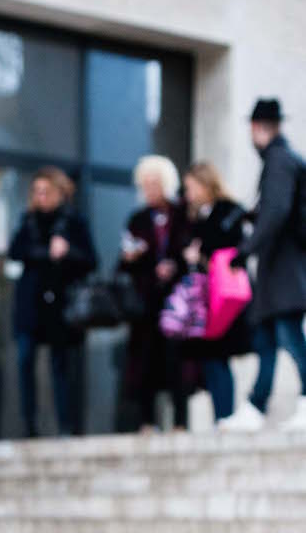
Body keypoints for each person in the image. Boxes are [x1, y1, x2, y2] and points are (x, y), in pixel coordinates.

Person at [220, 99, 306, 432]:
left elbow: (276, 211)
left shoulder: (279, 160)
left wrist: (245, 249)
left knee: (289, 336)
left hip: (285, 269)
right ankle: (256, 406)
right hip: (279, 270)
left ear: (257, 128)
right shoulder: (284, 160)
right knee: (267, 339)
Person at [6, 167, 97, 437]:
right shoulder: (27, 221)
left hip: (60, 306)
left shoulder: (74, 222)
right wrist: (47, 253)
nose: (41, 197)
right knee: (25, 361)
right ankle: (30, 426)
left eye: (46, 191)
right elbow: (14, 252)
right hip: (30, 305)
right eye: (37, 191)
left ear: (59, 193)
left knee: (61, 367)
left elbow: (91, 260)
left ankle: (65, 426)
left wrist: (67, 253)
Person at [119, 155, 188, 430]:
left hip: (177, 302)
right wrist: (133, 258)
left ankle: (180, 423)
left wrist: (176, 265)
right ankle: (147, 422)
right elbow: (122, 263)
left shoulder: (181, 215)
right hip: (145, 303)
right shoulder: (137, 220)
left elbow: (190, 251)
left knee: (177, 361)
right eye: (145, 185)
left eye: (154, 184)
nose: (149, 190)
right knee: (144, 362)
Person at [180, 162, 249, 425]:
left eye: (191, 187)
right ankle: (221, 418)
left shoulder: (228, 211)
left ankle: (226, 417)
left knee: (219, 355)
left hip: (223, 295)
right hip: (204, 298)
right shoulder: (195, 216)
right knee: (210, 358)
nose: (189, 194)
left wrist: (202, 251)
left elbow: (233, 245)